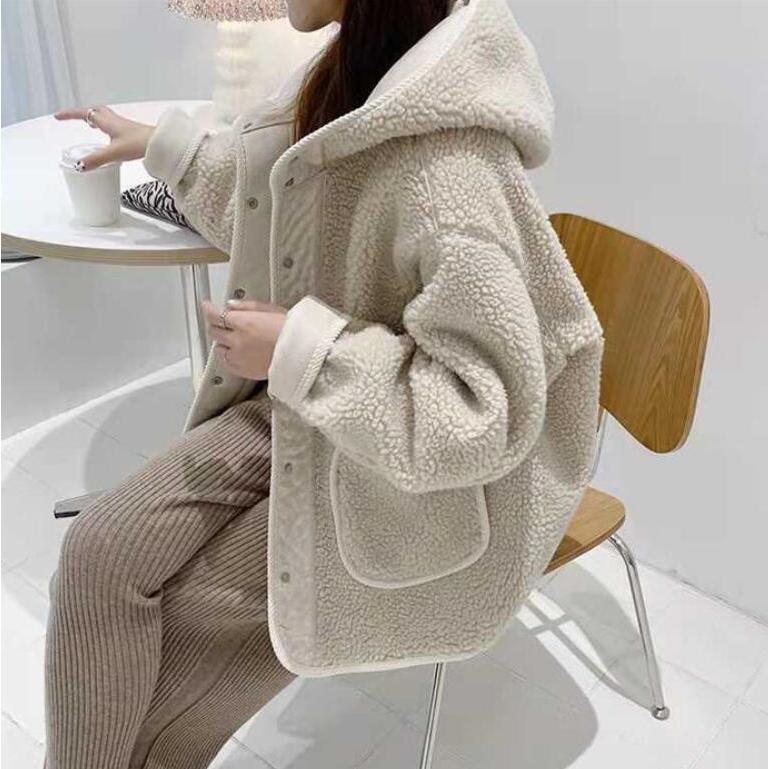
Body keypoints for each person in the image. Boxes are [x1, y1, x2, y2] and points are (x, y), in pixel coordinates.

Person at [46, 0, 604, 767]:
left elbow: (481, 417)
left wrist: (299, 349)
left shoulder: (449, 167)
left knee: (185, 628)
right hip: (317, 406)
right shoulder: (354, 80)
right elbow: (279, 217)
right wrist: (163, 146)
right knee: (98, 549)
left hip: (411, 472)